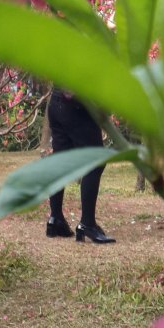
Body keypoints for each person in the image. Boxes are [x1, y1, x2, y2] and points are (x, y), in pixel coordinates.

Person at [45, 90, 115, 244]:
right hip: (77, 105)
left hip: (56, 102)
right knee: (95, 163)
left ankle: (55, 219)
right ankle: (87, 224)